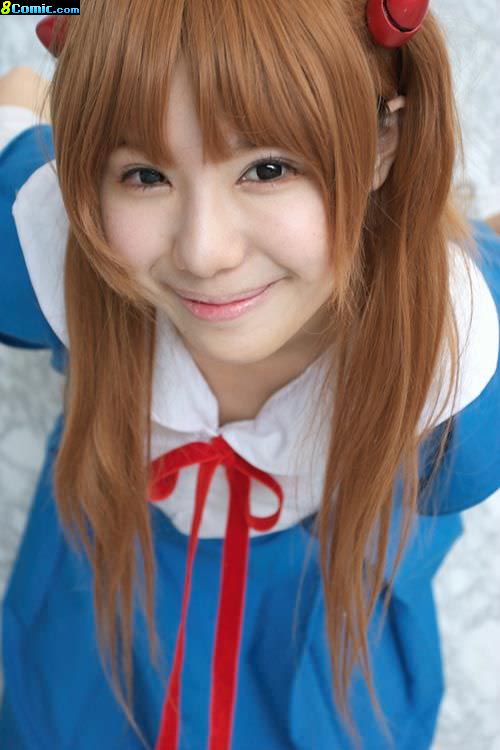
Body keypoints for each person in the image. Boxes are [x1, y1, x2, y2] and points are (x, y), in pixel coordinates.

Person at [0, 2, 498, 749]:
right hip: (95, 609)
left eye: (268, 168)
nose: (204, 252)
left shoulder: (452, 371)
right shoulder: (50, 254)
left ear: (382, 143)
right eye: (145, 174)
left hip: (319, 634)